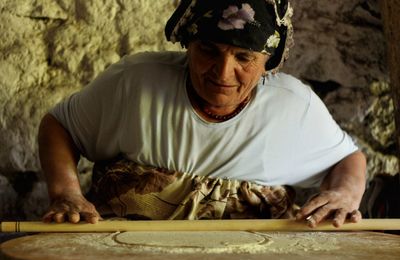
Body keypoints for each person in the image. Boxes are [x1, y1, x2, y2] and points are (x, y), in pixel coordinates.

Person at [38, 0, 366, 228]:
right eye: (209, 50)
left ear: (269, 61)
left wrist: (345, 193)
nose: (223, 73)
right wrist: (66, 192)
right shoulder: (135, 83)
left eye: (243, 57)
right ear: (188, 43)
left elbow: (348, 159)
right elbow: (60, 126)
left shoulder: (293, 107)